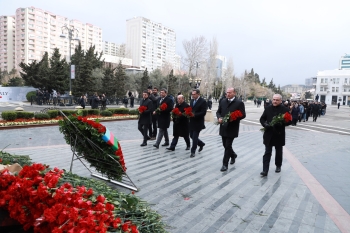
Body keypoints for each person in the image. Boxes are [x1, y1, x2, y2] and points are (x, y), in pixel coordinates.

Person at [259, 94, 291, 177]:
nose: (275, 101)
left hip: (279, 133)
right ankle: (265, 170)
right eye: (274, 99)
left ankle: (278, 165)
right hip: (269, 133)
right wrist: (265, 124)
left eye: (277, 100)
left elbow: (289, 121)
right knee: (267, 152)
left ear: (281, 101)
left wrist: (282, 122)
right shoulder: (268, 108)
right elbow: (262, 119)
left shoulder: (285, 109)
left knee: (279, 151)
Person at [216, 87, 246, 172]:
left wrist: (234, 117)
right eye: (227, 92)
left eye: (229, 92)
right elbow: (218, 112)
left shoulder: (239, 103)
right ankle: (233, 155)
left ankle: (225, 164)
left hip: (232, 127)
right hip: (223, 126)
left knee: (228, 145)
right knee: (225, 145)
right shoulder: (222, 101)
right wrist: (219, 118)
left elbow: (243, 115)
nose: (227, 94)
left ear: (234, 93)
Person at [189, 89, 207, 158]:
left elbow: (203, 112)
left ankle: (193, 151)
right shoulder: (191, 101)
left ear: (198, 94)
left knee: (195, 136)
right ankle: (201, 144)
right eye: (192, 94)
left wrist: (195, 115)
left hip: (198, 122)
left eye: (194, 94)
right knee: (191, 135)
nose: (193, 96)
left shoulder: (202, 101)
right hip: (191, 121)